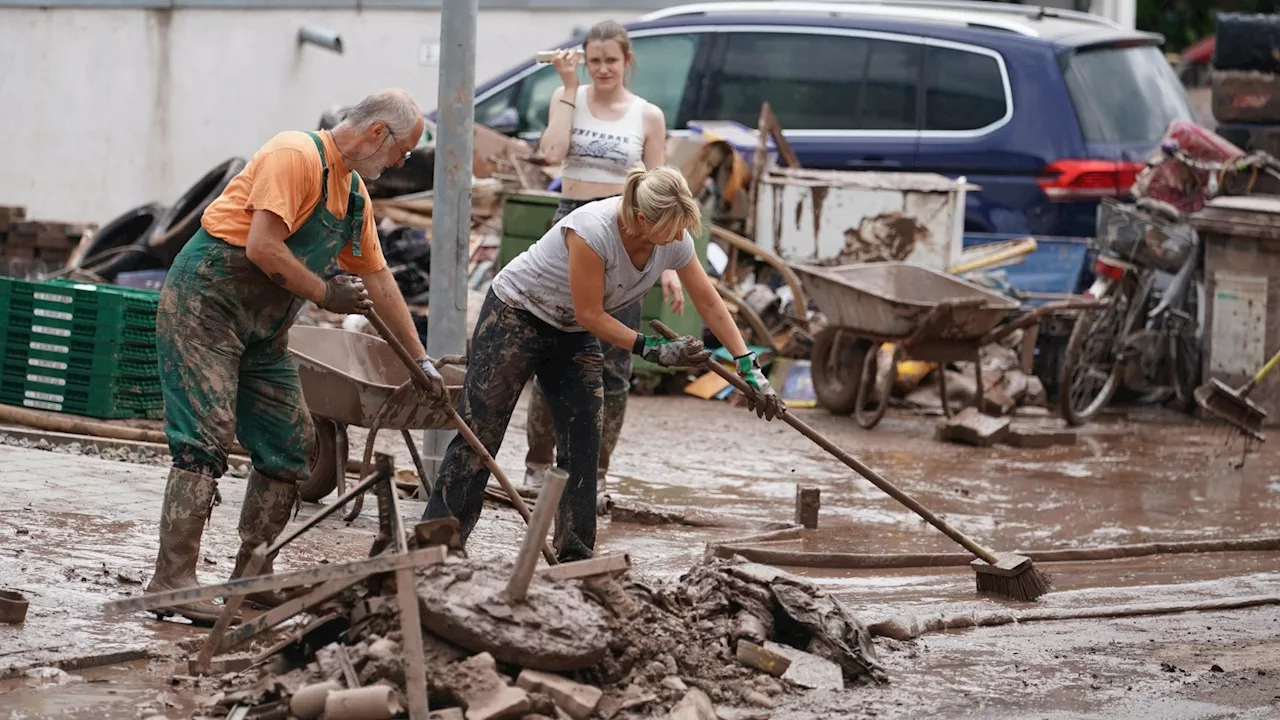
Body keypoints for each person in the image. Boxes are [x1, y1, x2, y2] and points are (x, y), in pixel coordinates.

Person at [145, 88, 446, 626]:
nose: (401, 164)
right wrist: (325, 294)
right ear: (378, 132)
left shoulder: (353, 195)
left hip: (264, 329)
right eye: (402, 152)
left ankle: (251, 576)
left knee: (292, 444)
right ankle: (172, 580)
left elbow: (377, 278)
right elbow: (263, 246)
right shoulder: (295, 155)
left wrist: (420, 361)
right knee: (205, 436)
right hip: (206, 304)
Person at [424, 165, 784, 562]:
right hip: (517, 312)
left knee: (583, 441)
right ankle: (438, 547)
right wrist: (651, 348)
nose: (680, 238)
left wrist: (748, 367)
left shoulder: (674, 237)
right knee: (481, 432)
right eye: (672, 229)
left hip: (570, 329)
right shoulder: (592, 230)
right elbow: (591, 313)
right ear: (642, 219)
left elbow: (709, 301)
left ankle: (576, 556)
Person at [526, 20, 683, 494]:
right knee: (551, 343)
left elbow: (660, 192)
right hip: (573, 220)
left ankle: (596, 471)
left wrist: (670, 264)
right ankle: (537, 466)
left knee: (615, 361)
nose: (602, 69)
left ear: (627, 60)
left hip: (628, 227)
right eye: (593, 61)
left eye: (610, 60)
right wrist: (569, 86)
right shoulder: (567, 96)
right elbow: (551, 153)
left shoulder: (647, 115)